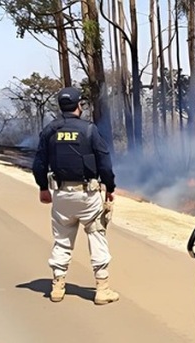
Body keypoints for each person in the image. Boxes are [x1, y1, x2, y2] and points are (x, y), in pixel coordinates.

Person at [32, 87, 119, 305]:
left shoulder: (50, 131)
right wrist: (110, 187)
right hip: (88, 195)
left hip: (61, 195)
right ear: (79, 105)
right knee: (97, 236)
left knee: (62, 240)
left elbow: (39, 163)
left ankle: (58, 287)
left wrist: (43, 188)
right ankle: (102, 289)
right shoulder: (89, 130)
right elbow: (104, 163)